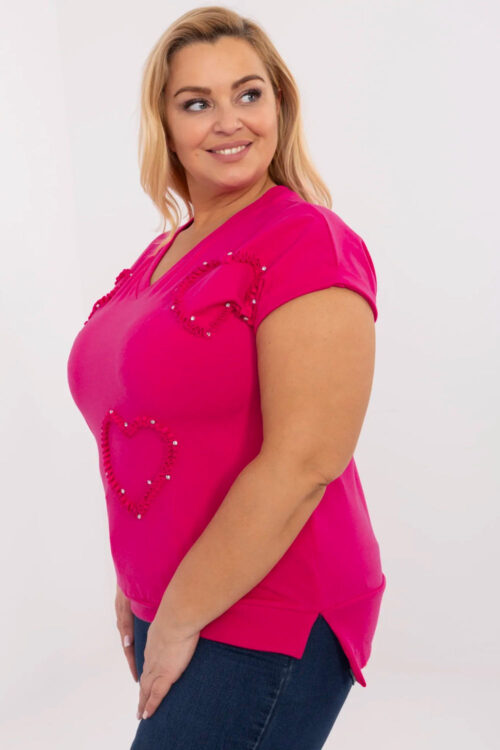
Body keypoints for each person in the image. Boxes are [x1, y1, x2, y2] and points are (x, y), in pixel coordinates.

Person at [66, 6, 387, 749]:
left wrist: (179, 615)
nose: (228, 121)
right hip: (183, 596)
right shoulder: (161, 255)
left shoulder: (307, 240)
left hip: (272, 604)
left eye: (248, 94)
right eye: (196, 102)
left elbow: (306, 461)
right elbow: (150, 430)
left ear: (279, 105)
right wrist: (138, 583)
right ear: (164, 124)